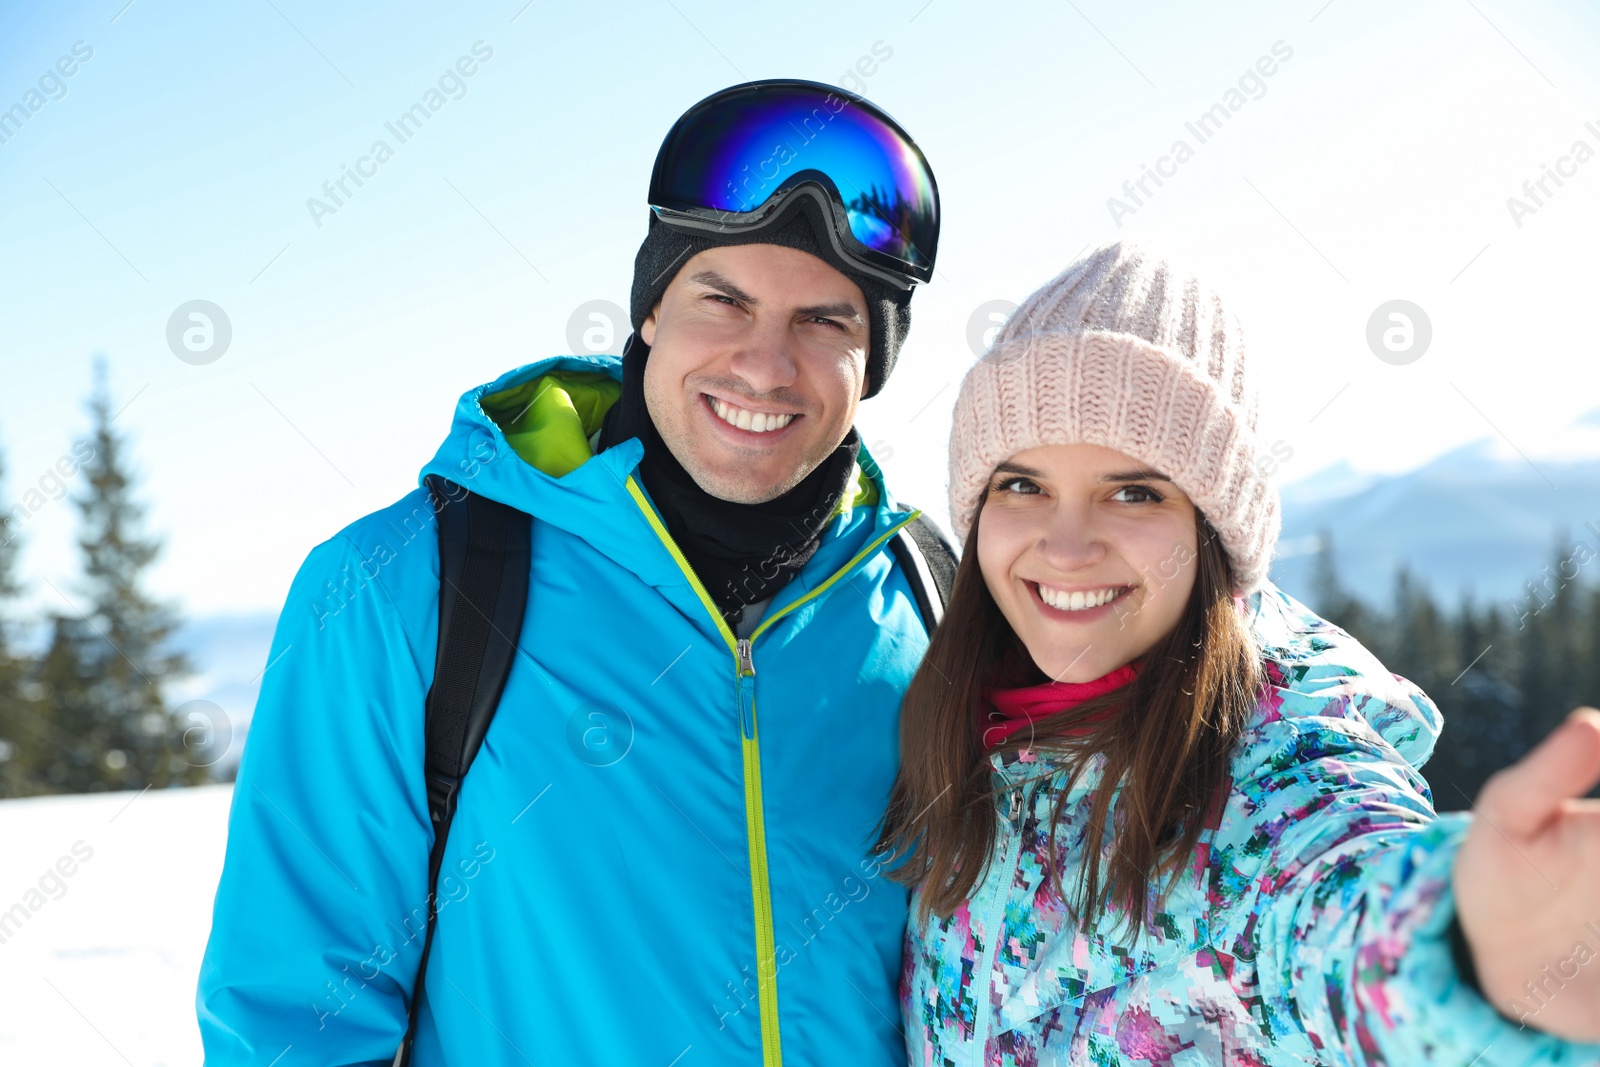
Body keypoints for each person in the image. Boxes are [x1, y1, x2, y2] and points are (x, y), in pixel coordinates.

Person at [197, 79, 946, 1066]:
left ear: (873, 361)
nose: (765, 365)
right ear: (648, 313)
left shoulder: (931, 597)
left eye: (824, 321)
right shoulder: (406, 586)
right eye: (721, 300)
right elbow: (296, 1016)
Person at [874, 242, 1600, 1064]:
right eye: (1022, 484)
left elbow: (1338, 904)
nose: (1066, 544)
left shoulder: (1272, 774)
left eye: (1134, 491)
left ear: (1213, 530)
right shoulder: (968, 739)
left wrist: (1468, 939)